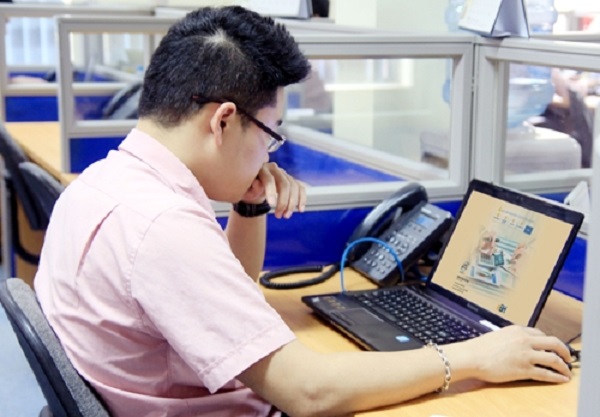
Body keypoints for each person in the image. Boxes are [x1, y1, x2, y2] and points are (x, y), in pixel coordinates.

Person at [34, 6, 573, 417]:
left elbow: (229, 293)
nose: (271, 154)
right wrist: (473, 357)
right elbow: (307, 393)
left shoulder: (103, 182)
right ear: (223, 122)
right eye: (270, 134)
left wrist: (249, 205)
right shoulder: (163, 227)